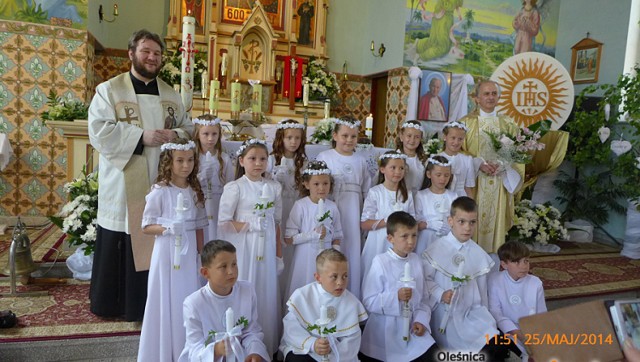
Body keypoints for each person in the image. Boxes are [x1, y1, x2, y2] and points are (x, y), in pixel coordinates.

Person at [88, 29, 193, 321]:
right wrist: (141, 136)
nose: (152, 57)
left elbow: (189, 130)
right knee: (123, 235)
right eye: (146, 51)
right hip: (125, 183)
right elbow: (99, 131)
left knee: (154, 236)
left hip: (161, 183)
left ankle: (150, 305)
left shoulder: (171, 95)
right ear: (131, 53)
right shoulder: (109, 90)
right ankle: (114, 304)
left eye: (157, 53)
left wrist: (175, 133)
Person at [137, 139, 207, 361]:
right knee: (166, 299)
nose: (185, 166)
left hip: (188, 259)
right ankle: (163, 351)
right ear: (169, 162)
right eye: (180, 161)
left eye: (189, 160)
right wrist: (167, 228)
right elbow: (146, 226)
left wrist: (201, 257)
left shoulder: (195, 191)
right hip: (166, 253)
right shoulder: (160, 191)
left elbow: (198, 228)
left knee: (187, 297)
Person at [217, 138, 283, 356]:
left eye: (263, 159)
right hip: (244, 248)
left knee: (266, 291)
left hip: (267, 248)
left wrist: (279, 255)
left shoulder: (274, 187)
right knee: (247, 287)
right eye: (253, 158)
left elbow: (278, 222)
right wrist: (250, 224)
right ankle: (240, 346)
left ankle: (266, 345)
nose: (258, 163)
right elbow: (224, 222)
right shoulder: (235, 187)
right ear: (242, 161)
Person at [422, 197, 508, 360]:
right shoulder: (436, 249)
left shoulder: (478, 253)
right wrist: (440, 293)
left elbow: (483, 293)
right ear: (450, 221)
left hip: (473, 312)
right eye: (461, 221)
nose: (467, 228)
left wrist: (487, 316)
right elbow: (424, 281)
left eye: (472, 222)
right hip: (445, 313)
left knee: (495, 344)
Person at [360, 211, 439, 362]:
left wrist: (421, 321)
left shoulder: (416, 261)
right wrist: (396, 296)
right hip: (385, 332)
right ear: (390, 238)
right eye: (404, 236)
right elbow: (369, 301)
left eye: (414, 235)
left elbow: (423, 299)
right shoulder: (380, 262)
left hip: (411, 327)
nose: (411, 241)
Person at [460, 80, 524, 253]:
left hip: (499, 184)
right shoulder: (465, 123)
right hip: (474, 184)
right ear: (477, 98)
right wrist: (478, 163)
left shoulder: (508, 124)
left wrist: (503, 165)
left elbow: (517, 154)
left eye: (494, 94)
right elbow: (458, 151)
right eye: (486, 94)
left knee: (495, 234)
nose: (490, 97)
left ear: (499, 97)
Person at [179, 240, 269, 362]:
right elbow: (194, 349)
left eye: (234, 264)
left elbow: (251, 331)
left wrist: (254, 353)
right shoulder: (194, 303)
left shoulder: (247, 291)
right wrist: (216, 350)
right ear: (205, 272)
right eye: (223, 266)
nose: (231, 271)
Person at [280, 249, 368, 362]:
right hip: (306, 349)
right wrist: (312, 344)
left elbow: (352, 339)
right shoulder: (303, 296)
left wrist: (332, 354)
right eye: (334, 276)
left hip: (337, 355)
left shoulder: (352, 302)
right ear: (318, 278)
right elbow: (291, 328)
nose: (340, 282)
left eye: (345, 276)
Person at [316, 116, 371, 299]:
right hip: (331, 207)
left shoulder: (360, 160)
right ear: (335, 135)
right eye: (345, 135)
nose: (349, 140)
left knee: (351, 247)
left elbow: (366, 189)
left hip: (353, 209)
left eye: (353, 136)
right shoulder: (325, 157)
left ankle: (350, 295)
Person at [285, 160, 343, 301]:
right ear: (306, 184)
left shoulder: (333, 207)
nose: (321, 188)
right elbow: (289, 238)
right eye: (316, 184)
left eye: (325, 184)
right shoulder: (301, 206)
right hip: (305, 257)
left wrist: (335, 254)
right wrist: (312, 235)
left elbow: (337, 235)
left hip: (327, 256)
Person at [267, 119, 308, 297]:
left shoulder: (303, 162)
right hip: (279, 209)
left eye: (297, 138)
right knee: (278, 246)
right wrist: (275, 179)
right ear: (280, 138)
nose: (293, 142)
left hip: (296, 208)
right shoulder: (270, 159)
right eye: (289, 137)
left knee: (292, 247)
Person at [360, 150, 415, 279]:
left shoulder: (408, 194)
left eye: (401, 168)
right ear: (382, 169)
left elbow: (413, 220)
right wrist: (388, 221)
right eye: (393, 168)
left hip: (401, 242)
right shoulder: (375, 192)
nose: (398, 172)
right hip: (379, 242)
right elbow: (364, 223)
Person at [488, 241, 547, 359]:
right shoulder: (495, 280)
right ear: (504, 264)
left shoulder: (535, 283)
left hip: (530, 329)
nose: (524, 266)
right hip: (508, 330)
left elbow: (541, 313)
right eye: (517, 262)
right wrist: (517, 333)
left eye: (526, 261)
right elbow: (496, 312)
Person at [192, 115, 233, 243]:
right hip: (199, 202)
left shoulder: (224, 159)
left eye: (214, 134)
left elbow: (230, 185)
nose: (210, 138)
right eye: (206, 134)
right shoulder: (193, 157)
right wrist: (201, 177)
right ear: (198, 134)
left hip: (218, 202)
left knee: (215, 233)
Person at [414, 155, 457, 255]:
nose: (442, 179)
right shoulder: (421, 196)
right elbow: (414, 223)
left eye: (446, 175)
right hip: (425, 240)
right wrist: (429, 224)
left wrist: (449, 226)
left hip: (446, 239)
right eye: (438, 175)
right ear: (429, 174)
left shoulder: (453, 196)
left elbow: (457, 219)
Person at [439, 121, 476, 198]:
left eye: (460, 139)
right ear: (445, 137)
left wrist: (471, 206)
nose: (456, 142)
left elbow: (468, 188)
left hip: (461, 198)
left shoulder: (467, 160)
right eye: (453, 138)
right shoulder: (436, 158)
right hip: (441, 196)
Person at [396, 120, 429, 197]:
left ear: (420, 139)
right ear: (401, 137)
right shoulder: (394, 158)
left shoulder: (423, 160)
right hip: (399, 197)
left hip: (419, 198)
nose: (412, 140)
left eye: (417, 137)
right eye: (409, 136)